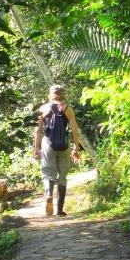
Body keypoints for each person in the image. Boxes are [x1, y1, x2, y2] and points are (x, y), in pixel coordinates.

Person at [33, 84, 80, 216]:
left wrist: (36, 148)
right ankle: (59, 210)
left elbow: (37, 131)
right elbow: (75, 131)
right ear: (63, 95)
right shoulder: (68, 109)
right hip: (64, 144)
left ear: (50, 95)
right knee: (62, 177)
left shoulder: (43, 109)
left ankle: (49, 195)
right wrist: (76, 148)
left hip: (48, 144)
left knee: (48, 173)